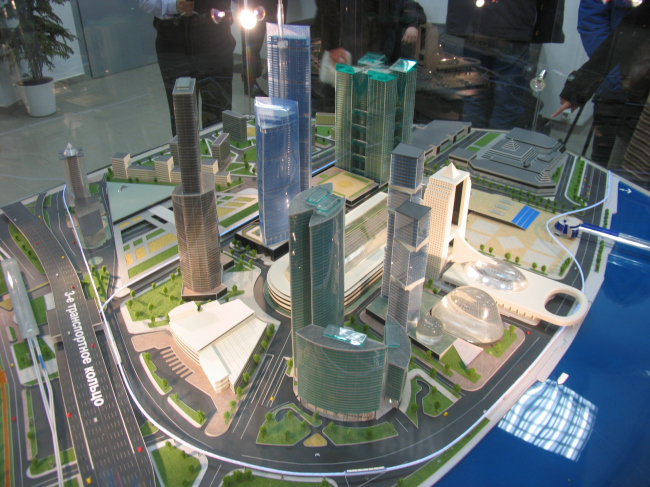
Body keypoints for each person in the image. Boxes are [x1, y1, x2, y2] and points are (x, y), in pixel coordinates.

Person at [552, 1, 650, 179]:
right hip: (632, 93)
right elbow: (628, 30)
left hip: (634, 90)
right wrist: (581, 87)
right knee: (621, 173)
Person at [445, 0, 565, 130]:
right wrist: (544, 31)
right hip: (513, 24)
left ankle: (469, 139)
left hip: (476, 25)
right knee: (506, 101)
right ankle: (495, 140)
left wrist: (459, 24)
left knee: (475, 97)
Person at [138, 0, 236, 135]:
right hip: (175, 45)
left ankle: (217, 147)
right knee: (184, 122)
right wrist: (173, 5)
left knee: (218, 119)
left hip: (216, 40)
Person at [577, 0, 634, 164]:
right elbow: (592, 20)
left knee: (639, 165)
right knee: (603, 164)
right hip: (616, 88)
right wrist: (614, 70)